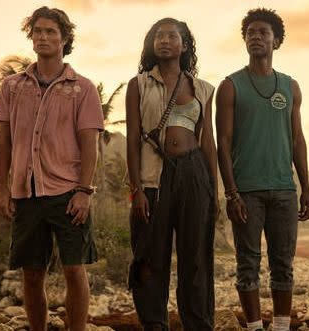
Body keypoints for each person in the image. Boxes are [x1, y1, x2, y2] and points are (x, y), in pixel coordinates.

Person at [0, 6, 103, 331]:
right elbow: (3, 142)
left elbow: (89, 144)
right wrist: (2, 189)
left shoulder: (82, 88)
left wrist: (84, 191)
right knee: (31, 272)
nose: (43, 37)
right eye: (37, 31)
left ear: (64, 38)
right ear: (31, 36)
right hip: (26, 193)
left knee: (74, 269)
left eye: (51, 32)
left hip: (68, 192)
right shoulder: (12, 86)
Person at [216, 8, 309, 331]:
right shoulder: (230, 86)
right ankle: (256, 327)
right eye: (250, 33)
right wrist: (231, 193)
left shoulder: (290, 86)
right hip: (246, 190)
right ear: (245, 40)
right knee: (248, 264)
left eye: (263, 32)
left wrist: (306, 190)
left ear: (277, 40)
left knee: (283, 265)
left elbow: (297, 139)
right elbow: (223, 143)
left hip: (284, 189)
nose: (256, 37)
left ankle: (282, 326)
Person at [125, 17, 218, 331]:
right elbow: (133, 138)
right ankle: (154, 323)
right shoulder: (138, 84)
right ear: (152, 44)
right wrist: (136, 189)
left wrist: (213, 192)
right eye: (158, 36)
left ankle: (199, 323)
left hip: (194, 173)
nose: (164, 40)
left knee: (196, 258)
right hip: (154, 176)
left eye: (172, 36)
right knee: (150, 254)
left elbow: (208, 142)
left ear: (185, 44)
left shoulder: (204, 89)